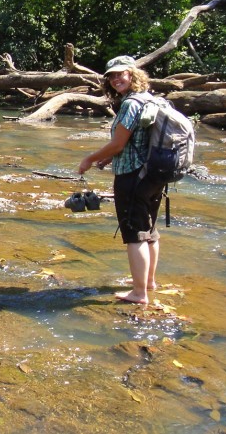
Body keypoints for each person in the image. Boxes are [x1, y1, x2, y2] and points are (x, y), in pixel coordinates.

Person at [77, 55, 168, 305]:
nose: (116, 79)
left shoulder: (130, 104)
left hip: (132, 176)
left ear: (132, 74)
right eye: (111, 75)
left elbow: (118, 144)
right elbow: (135, 142)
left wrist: (89, 159)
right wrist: (106, 160)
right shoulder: (151, 99)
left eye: (121, 74)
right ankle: (148, 281)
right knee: (150, 230)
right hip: (154, 174)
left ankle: (139, 294)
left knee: (134, 233)